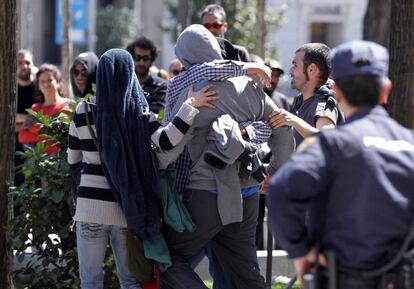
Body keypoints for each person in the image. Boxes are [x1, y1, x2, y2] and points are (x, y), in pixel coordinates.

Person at [266, 40, 414, 289]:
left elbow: (280, 192)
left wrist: (301, 253)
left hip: (341, 277)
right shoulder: (409, 145)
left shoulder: (329, 145)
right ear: (386, 90)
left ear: (338, 91)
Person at [158, 24, 295, 289]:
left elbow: (171, 145)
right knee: (245, 275)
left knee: (167, 259)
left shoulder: (192, 90)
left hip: (205, 193)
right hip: (249, 193)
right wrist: (276, 170)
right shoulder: (251, 84)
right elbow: (283, 126)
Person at [68, 48, 218, 289]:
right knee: (130, 280)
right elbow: (167, 140)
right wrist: (190, 105)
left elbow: (73, 158)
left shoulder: (82, 111)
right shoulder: (137, 111)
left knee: (90, 281)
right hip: (124, 207)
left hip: (88, 208)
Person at [268, 43, 340, 146]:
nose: (290, 71)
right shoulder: (300, 101)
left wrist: (293, 120)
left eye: (295, 65)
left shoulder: (323, 102)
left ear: (311, 69)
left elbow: (327, 139)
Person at [18, 64, 69, 155]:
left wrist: (35, 134)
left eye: (50, 80)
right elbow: (22, 136)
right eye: (42, 81)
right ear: (38, 85)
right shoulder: (35, 108)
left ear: (58, 82)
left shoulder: (67, 105)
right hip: (39, 162)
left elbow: (60, 136)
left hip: (60, 162)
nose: (46, 84)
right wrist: (47, 136)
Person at [14, 49, 38, 186]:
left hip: (35, 146)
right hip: (12, 145)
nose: (24, 66)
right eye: (20, 63)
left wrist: (17, 119)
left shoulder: (39, 89)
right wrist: (29, 118)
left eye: (27, 62)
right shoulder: (8, 88)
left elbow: (41, 119)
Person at [126, 36, 167, 114]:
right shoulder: (123, 84)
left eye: (145, 58)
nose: (141, 63)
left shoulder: (161, 86)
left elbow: (156, 113)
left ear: (152, 60)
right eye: (137, 57)